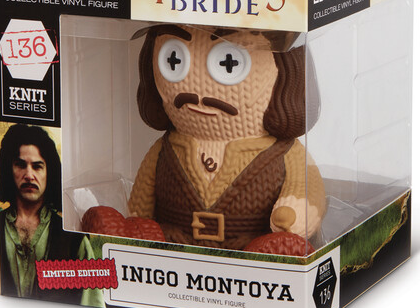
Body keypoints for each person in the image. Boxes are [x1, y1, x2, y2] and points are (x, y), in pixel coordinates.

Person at [127, 24, 326, 251]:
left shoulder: (286, 153)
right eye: (174, 60)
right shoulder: (165, 149)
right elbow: (140, 204)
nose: (197, 92)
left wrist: (294, 213)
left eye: (228, 62)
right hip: (173, 249)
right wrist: (135, 225)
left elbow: (306, 187)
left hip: (252, 254)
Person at [0, 124, 104, 307]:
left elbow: (93, 306)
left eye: (37, 167)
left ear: (49, 173)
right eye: (21, 165)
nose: (29, 175)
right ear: (9, 169)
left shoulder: (73, 239)